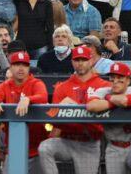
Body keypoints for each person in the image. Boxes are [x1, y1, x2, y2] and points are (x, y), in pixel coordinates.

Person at [38, 46, 111, 174]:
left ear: (90, 61)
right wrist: (60, 107)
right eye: (77, 60)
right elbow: (53, 118)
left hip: (89, 143)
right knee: (45, 148)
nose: (80, 63)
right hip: (67, 140)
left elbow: (109, 115)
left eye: (84, 59)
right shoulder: (62, 87)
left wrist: (75, 108)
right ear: (72, 62)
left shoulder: (103, 85)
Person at [85, 62, 131, 174]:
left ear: (128, 80)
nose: (115, 81)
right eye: (113, 77)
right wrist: (113, 101)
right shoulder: (103, 91)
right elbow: (91, 106)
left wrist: (108, 99)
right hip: (114, 147)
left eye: (120, 77)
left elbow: (126, 101)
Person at [0, 51, 48, 172]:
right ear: (10, 67)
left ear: (29, 67)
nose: (21, 68)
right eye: (17, 64)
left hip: (36, 150)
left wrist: (28, 99)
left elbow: (43, 97)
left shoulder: (36, 83)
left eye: (24, 65)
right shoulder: (6, 85)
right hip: (13, 151)